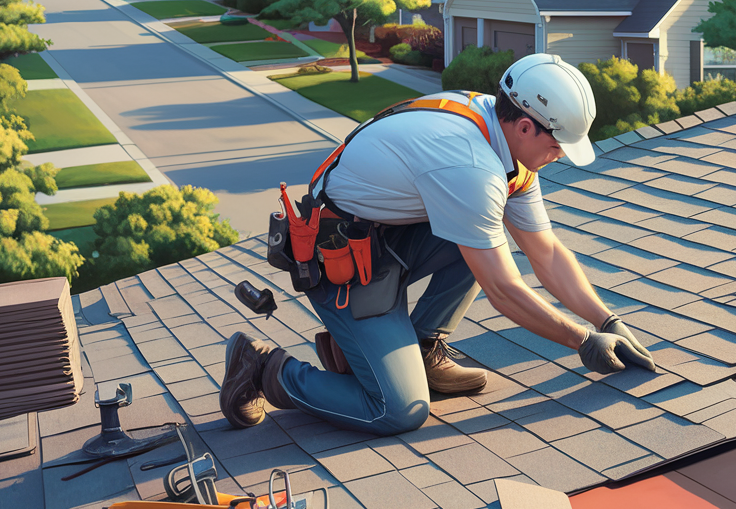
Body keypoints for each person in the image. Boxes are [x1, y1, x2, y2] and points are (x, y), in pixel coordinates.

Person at [219, 54, 654, 435]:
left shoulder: (499, 135)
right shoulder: (469, 165)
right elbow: (503, 290)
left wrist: (606, 319)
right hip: (344, 263)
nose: (560, 155)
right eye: (559, 146)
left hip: (388, 236)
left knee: (483, 235)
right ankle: (264, 369)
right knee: (396, 410)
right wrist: (582, 340)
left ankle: (421, 348)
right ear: (525, 125)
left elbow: (547, 252)